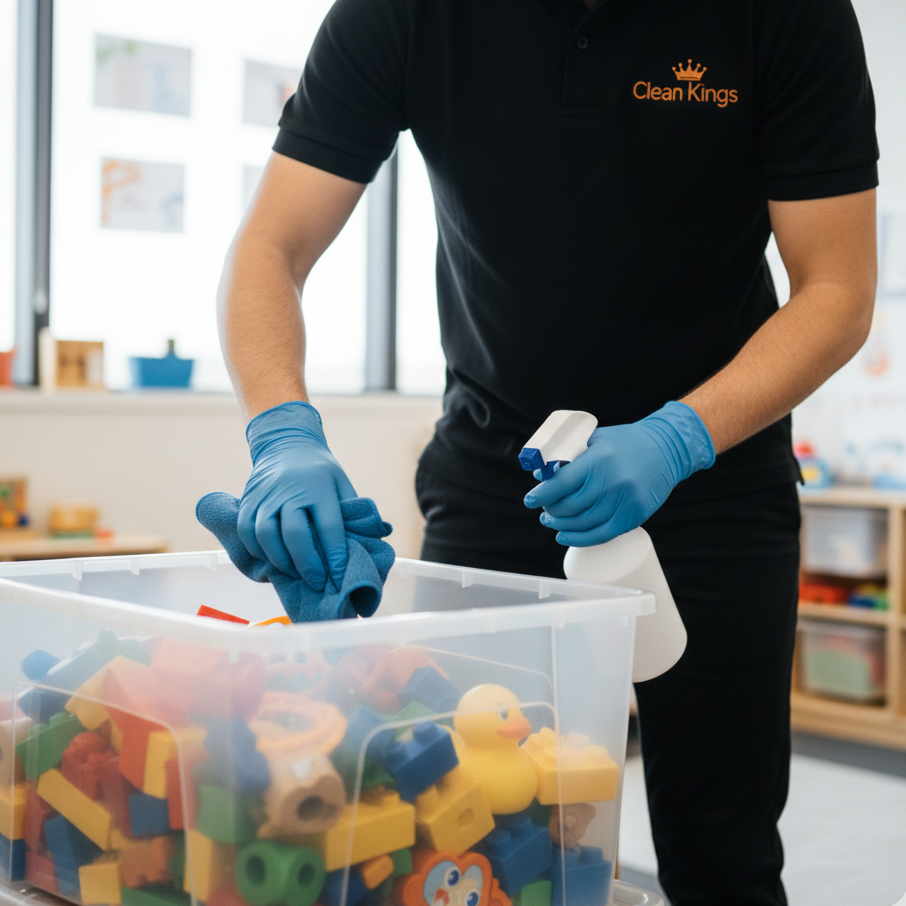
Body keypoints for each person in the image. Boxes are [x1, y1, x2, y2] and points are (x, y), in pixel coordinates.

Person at [217, 0, 878, 902]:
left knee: (722, 850)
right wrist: (281, 432)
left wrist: (679, 438)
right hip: (499, 482)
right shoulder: (403, 15)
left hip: (716, 476)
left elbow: (838, 288)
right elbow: (271, 244)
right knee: (472, 836)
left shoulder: (782, 16)